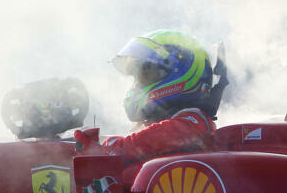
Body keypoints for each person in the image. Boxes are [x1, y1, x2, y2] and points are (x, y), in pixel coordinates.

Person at [75, 30, 227, 164]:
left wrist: (111, 148)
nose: (139, 83)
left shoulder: (193, 121)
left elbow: (157, 138)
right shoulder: (162, 125)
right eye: (136, 77)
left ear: (179, 71)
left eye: (145, 73)